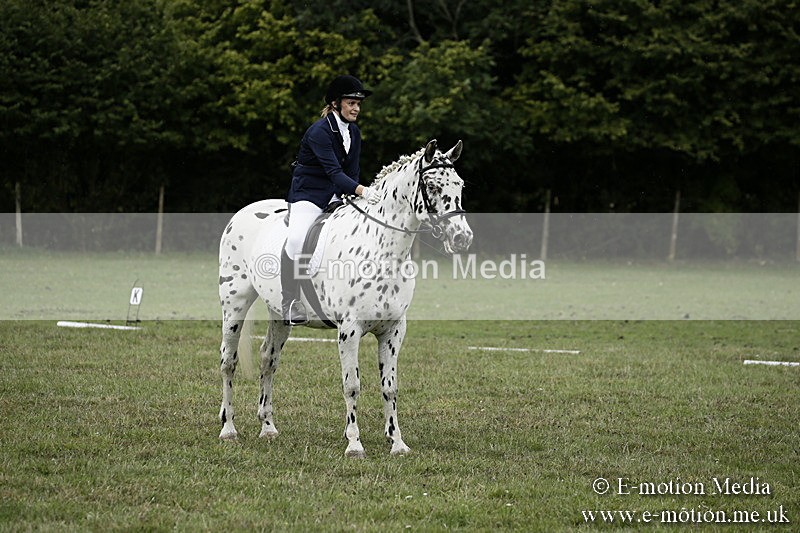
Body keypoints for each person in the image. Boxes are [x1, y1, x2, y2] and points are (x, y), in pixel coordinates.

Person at [281, 74, 380, 325]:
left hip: (337, 193)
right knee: (296, 239)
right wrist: (363, 191)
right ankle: (290, 301)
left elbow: (352, 171)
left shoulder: (354, 132)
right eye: (351, 103)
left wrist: (356, 195)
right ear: (336, 103)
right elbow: (334, 172)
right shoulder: (319, 131)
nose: (356, 108)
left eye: (358, 104)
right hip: (309, 194)